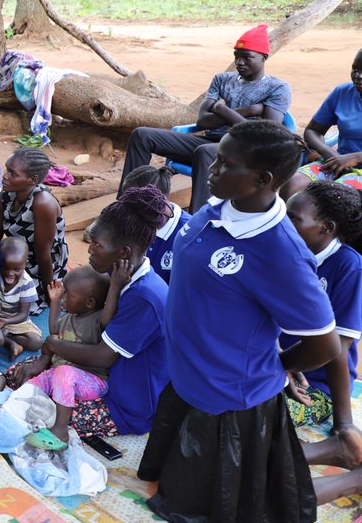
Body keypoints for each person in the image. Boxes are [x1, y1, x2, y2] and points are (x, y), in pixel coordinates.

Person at [138, 120, 345, 521]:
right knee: (177, 484)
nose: (211, 169)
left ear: (262, 179)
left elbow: (324, 342)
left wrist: (278, 367)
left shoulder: (280, 254)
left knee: (238, 506)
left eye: (224, 164)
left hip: (227, 403)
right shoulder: (220, 207)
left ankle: (354, 480)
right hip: (187, 381)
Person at [12, 187, 173, 439]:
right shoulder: (116, 273)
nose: (89, 250)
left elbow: (102, 357)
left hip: (123, 404)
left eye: (97, 245)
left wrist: (52, 345)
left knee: (39, 410)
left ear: (124, 252)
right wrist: (45, 358)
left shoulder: (146, 299)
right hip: (84, 371)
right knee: (19, 376)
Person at [118, 24, 292, 213]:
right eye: (236, 56)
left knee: (205, 152)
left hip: (247, 150)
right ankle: (125, 207)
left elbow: (266, 136)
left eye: (247, 57)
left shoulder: (278, 88)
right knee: (142, 135)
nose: (240, 62)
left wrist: (221, 109)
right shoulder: (222, 79)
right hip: (211, 140)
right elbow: (203, 121)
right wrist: (249, 111)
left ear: (263, 57)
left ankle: (197, 221)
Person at [0, 266, 125, 448]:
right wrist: (56, 302)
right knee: (37, 380)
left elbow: (108, 314)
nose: (64, 297)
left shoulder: (98, 319)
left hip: (91, 381)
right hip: (62, 375)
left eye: (68, 295)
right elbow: (54, 331)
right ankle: (10, 409)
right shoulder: (71, 316)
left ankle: (60, 431)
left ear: (90, 302)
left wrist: (115, 287)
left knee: (64, 372)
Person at [282, 183, 362, 442]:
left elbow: (337, 346)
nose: (283, 222)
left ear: (326, 228)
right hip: (274, 366)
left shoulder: (347, 266)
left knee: (257, 416)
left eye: (293, 218)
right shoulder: (282, 253)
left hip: (315, 385)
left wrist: (344, 423)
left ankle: (338, 451)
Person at [0, 147, 68, 311]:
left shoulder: (42, 203)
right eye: (7, 169)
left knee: (13, 303)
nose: (5, 176)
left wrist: (49, 296)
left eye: (13, 174)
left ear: (32, 180)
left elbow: (44, 255)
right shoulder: (5, 196)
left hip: (42, 267)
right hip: (15, 259)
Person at [283, 47, 362, 198]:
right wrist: (329, 153)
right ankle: (285, 222)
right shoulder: (343, 92)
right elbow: (313, 131)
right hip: (336, 160)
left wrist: (355, 157)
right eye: (355, 69)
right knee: (292, 184)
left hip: (350, 163)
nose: (358, 76)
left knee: (337, 195)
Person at [120, 165, 189, 284]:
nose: (126, 208)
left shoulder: (188, 235)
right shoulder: (133, 220)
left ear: (155, 200)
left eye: (132, 202)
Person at [0, 236, 42, 359]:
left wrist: (7, 321)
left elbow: (23, 314)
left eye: (17, 269)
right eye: (5, 268)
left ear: (25, 264)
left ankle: (4, 339)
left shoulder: (26, 284)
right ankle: (11, 343)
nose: (10, 273)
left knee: (36, 342)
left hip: (16, 320)